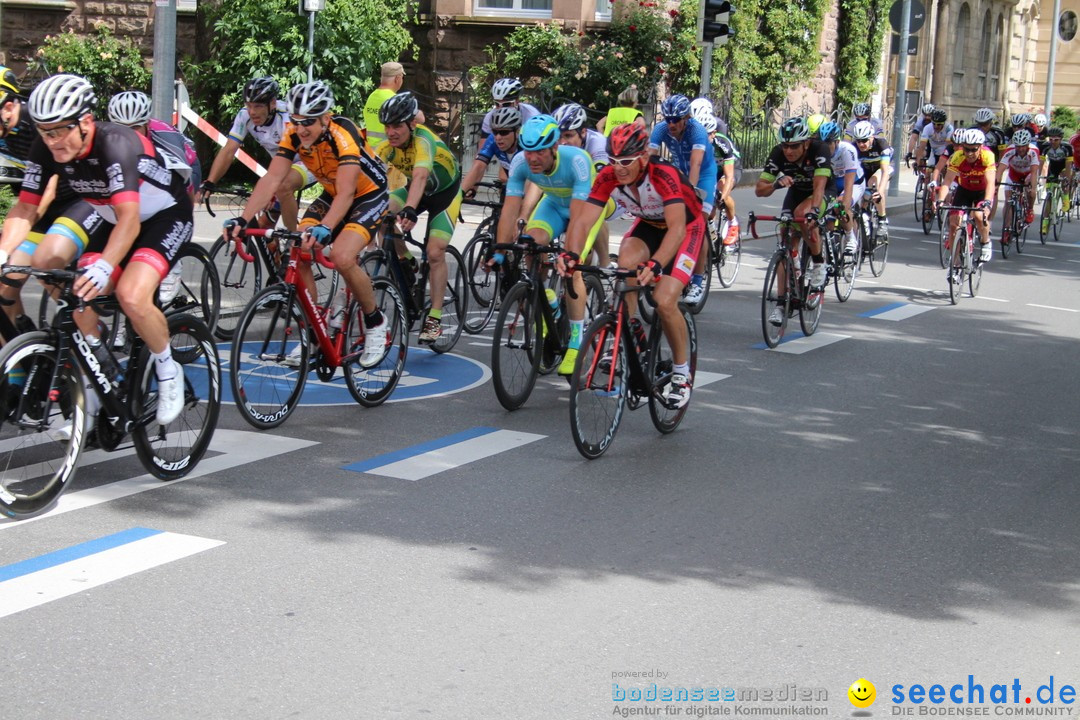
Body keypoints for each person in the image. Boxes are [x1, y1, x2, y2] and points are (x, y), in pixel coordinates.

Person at [0, 73, 195, 425]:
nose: (52, 141)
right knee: (78, 297)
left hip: (162, 216)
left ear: (86, 122)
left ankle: (168, 371)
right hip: (110, 216)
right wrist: (2, 253)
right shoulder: (46, 145)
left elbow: (130, 220)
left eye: (59, 130)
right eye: (45, 132)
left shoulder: (115, 143)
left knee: (132, 295)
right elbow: (26, 208)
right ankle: (92, 378)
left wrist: (106, 265)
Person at [225, 80, 391, 368]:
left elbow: (349, 192)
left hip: (368, 194)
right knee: (297, 248)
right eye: (298, 121)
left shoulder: (343, 134)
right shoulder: (293, 134)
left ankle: (376, 322)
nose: (302, 129)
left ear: (326, 118)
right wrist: (243, 219)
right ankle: (315, 333)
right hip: (332, 192)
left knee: (341, 256)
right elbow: (272, 180)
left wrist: (326, 227)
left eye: (309, 122)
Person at [558, 123, 703, 409]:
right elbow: (583, 220)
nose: (618, 168)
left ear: (644, 158)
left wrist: (657, 263)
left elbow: (676, 229)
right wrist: (572, 254)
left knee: (664, 300)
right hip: (649, 225)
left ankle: (681, 373)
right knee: (625, 266)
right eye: (613, 161)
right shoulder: (608, 175)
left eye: (625, 162)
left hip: (685, 228)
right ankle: (629, 329)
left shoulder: (664, 176)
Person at [0, 66, 110, 331]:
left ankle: (84, 326)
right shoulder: (8, 132)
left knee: (46, 264)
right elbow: (28, 201)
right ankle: (23, 354)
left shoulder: (36, 123)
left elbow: (48, 190)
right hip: (40, 206)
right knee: (5, 285)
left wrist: (20, 236)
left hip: (78, 201)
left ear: (8, 106)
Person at [494, 114, 603, 375]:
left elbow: (578, 219)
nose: (532, 158)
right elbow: (510, 212)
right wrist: (500, 250)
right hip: (554, 205)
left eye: (540, 152)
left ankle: (576, 342)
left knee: (572, 266)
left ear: (554, 148)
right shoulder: (521, 163)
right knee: (530, 243)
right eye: (528, 152)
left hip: (587, 208)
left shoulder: (577, 161)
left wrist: (569, 253)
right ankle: (548, 300)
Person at [374, 91, 463, 345]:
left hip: (445, 194)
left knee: (435, 252)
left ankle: (434, 319)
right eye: (388, 126)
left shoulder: (423, 140)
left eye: (397, 126)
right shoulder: (388, 147)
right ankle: (407, 262)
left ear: (411, 125)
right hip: (417, 189)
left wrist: (410, 209)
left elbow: (421, 176)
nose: (391, 132)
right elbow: (367, 172)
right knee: (381, 214)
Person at [107, 89, 202, 307]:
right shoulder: (110, 140)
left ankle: (172, 264)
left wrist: (179, 234)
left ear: (147, 125)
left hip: (183, 166)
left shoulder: (164, 137)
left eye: (135, 129)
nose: (130, 136)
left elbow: (184, 192)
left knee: (167, 210)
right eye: (122, 130)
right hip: (145, 167)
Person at [197, 77, 313, 232]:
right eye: (249, 105)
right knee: (263, 227)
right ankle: (274, 252)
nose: (252, 112)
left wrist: (272, 190)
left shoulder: (286, 118)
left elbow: (287, 158)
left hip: (307, 163)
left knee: (282, 186)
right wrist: (211, 182)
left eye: (258, 106)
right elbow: (229, 150)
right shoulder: (244, 116)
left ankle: (293, 244)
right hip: (280, 168)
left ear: (272, 103)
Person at [755, 117, 831, 327]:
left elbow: (819, 186)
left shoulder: (819, 149)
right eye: (785, 146)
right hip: (796, 193)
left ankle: (818, 263)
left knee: (803, 214)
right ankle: (781, 304)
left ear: (806, 143)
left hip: (822, 192)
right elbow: (760, 189)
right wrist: (776, 185)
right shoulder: (778, 153)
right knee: (785, 241)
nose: (788, 151)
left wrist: (814, 212)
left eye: (794, 146)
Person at [648, 94, 717, 306]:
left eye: (675, 120)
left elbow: (696, 164)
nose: (671, 124)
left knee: (698, 221)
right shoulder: (661, 128)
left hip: (703, 175)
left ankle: (697, 281)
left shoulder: (696, 130)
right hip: (679, 172)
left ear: (686, 118)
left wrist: (692, 193)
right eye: (667, 119)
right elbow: (648, 159)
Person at [935, 128, 995, 264]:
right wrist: (940, 200)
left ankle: (985, 242)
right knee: (953, 223)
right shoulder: (957, 156)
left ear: (980, 147)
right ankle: (954, 263)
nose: (969, 153)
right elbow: (947, 181)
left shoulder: (987, 156)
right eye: (966, 149)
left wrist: (987, 202)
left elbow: (991, 182)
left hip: (982, 190)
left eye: (973, 149)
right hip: (965, 189)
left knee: (980, 216)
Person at [818, 121, 863, 254]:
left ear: (837, 142)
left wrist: (844, 205)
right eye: (822, 144)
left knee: (840, 206)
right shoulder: (819, 153)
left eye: (828, 143)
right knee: (827, 221)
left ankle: (850, 238)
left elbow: (849, 185)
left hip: (853, 182)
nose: (825, 147)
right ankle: (829, 253)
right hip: (833, 184)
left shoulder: (847, 150)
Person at [460, 105, 521, 197]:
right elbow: (478, 167)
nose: (498, 137)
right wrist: (459, 194)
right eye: (495, 132)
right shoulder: (492, 140)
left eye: (504, 132)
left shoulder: (526, 146)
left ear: (517, 132)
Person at [362, 61, 425, 148]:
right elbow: (421, 119)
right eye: (402, 77)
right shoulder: (394, 100)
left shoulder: (371, 97)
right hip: (388, 152)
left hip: (370, 152)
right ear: (397, 78)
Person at [995, 128, 1041, 244]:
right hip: (1013, 175)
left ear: (1028, 145)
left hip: (1028, 174)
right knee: (1008, 201)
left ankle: (1030, 209)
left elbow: (1034, 172)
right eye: (1018, 146)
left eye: (1023, 146)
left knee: (1031, 191)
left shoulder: (1033, 151)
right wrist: (996, 185)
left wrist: (1033, 189)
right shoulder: (1009, 150)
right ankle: (1007, 230)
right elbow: (1000, 170)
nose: (1020, 149)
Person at [851, 120, 893, 230]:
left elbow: (884, 172)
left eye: (864, 140)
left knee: (874, 184)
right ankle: (864, 214)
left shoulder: (881, 144)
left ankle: (882, 219)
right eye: (858, 141)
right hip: (865, 169)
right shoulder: (853, 147)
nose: (861, 144)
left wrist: (880, 191)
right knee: (862, 195)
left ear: (872, 137)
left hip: (882, 168)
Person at [1041, 127, 1073, 225]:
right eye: (1050, 139)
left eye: (1056, 140)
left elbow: (1068, 165)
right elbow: (1040, 163)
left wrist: (1067, 179)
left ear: (1061, 139)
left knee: (1065, 178)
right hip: (1053, 167)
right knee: (1049, 193)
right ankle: (1045, 221)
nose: (1053, 142)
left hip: (1064, 166)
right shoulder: (1045, 146)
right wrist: (1038, 176)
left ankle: (1066, 199)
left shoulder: (1066, 147)